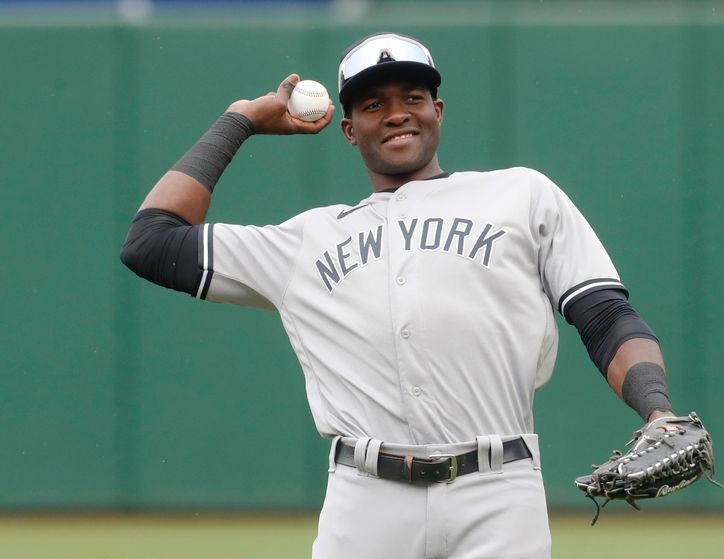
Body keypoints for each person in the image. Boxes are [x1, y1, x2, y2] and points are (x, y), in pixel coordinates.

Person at [121, 32, 678, 559]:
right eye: (371, 104)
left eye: (413, 96)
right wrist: (239, 121)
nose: (395, 112)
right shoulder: (304, 242)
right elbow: (151, 241)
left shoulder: (522, 194)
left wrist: (659, 412)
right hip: (365, 501)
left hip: (499, 490)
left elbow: (604, 315)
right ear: (347, 129)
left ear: (439, 110)